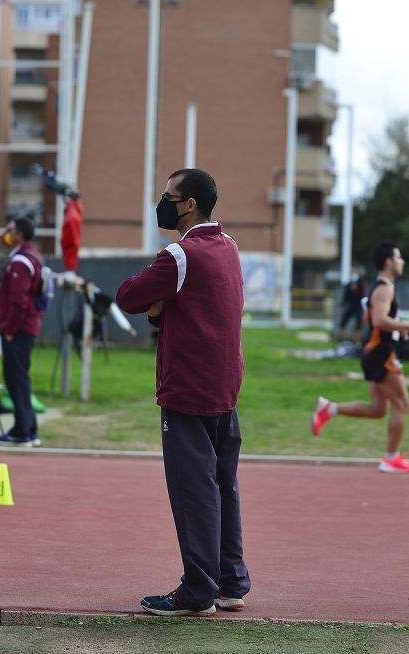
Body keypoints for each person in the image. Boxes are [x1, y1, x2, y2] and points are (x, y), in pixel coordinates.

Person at [116, 168, 250, 617]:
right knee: (223, 486)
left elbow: (129, 296)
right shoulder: (229, 247)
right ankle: (230, 583)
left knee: (194, 491)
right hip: (224, 384)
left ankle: (197, 590)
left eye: (168, 196)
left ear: (188, 203)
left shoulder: (180, 254)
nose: (163, 202)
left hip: (188, 386)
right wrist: (165, 308)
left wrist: (158, 306)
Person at [310, 241, 409, 473]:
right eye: (399, 257)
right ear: (389, 262)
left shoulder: (381, 287)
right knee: (402, 403)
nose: (402, 262)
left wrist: (397, 329)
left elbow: (374, 321)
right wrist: (407, 325)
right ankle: (390, 458)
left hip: (375, 350)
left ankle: (328, 408)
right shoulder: (385, 288)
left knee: (379, 409)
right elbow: (379, 320)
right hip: (381, 352)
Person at [0, 216, 44, 447]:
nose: (7, 232)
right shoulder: (30, 256)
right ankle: (26, 428)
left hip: (18, 329)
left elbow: (18, 301)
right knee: (19, 378)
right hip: (26, 327)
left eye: (11, 229)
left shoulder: (21, 262)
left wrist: (9, 329)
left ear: (20, 233)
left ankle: (23, 431)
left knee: (16, 378)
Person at [337, 271, 365, 343]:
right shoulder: (349, 283)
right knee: (343, 322)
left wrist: (357, 289)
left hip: (358, 306)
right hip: (351, 306)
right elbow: (346, 296)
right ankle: (344, 339)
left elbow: (363, 294)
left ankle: (358, 341)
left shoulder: (360, 283)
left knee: (358, 325)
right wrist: (342, 305)